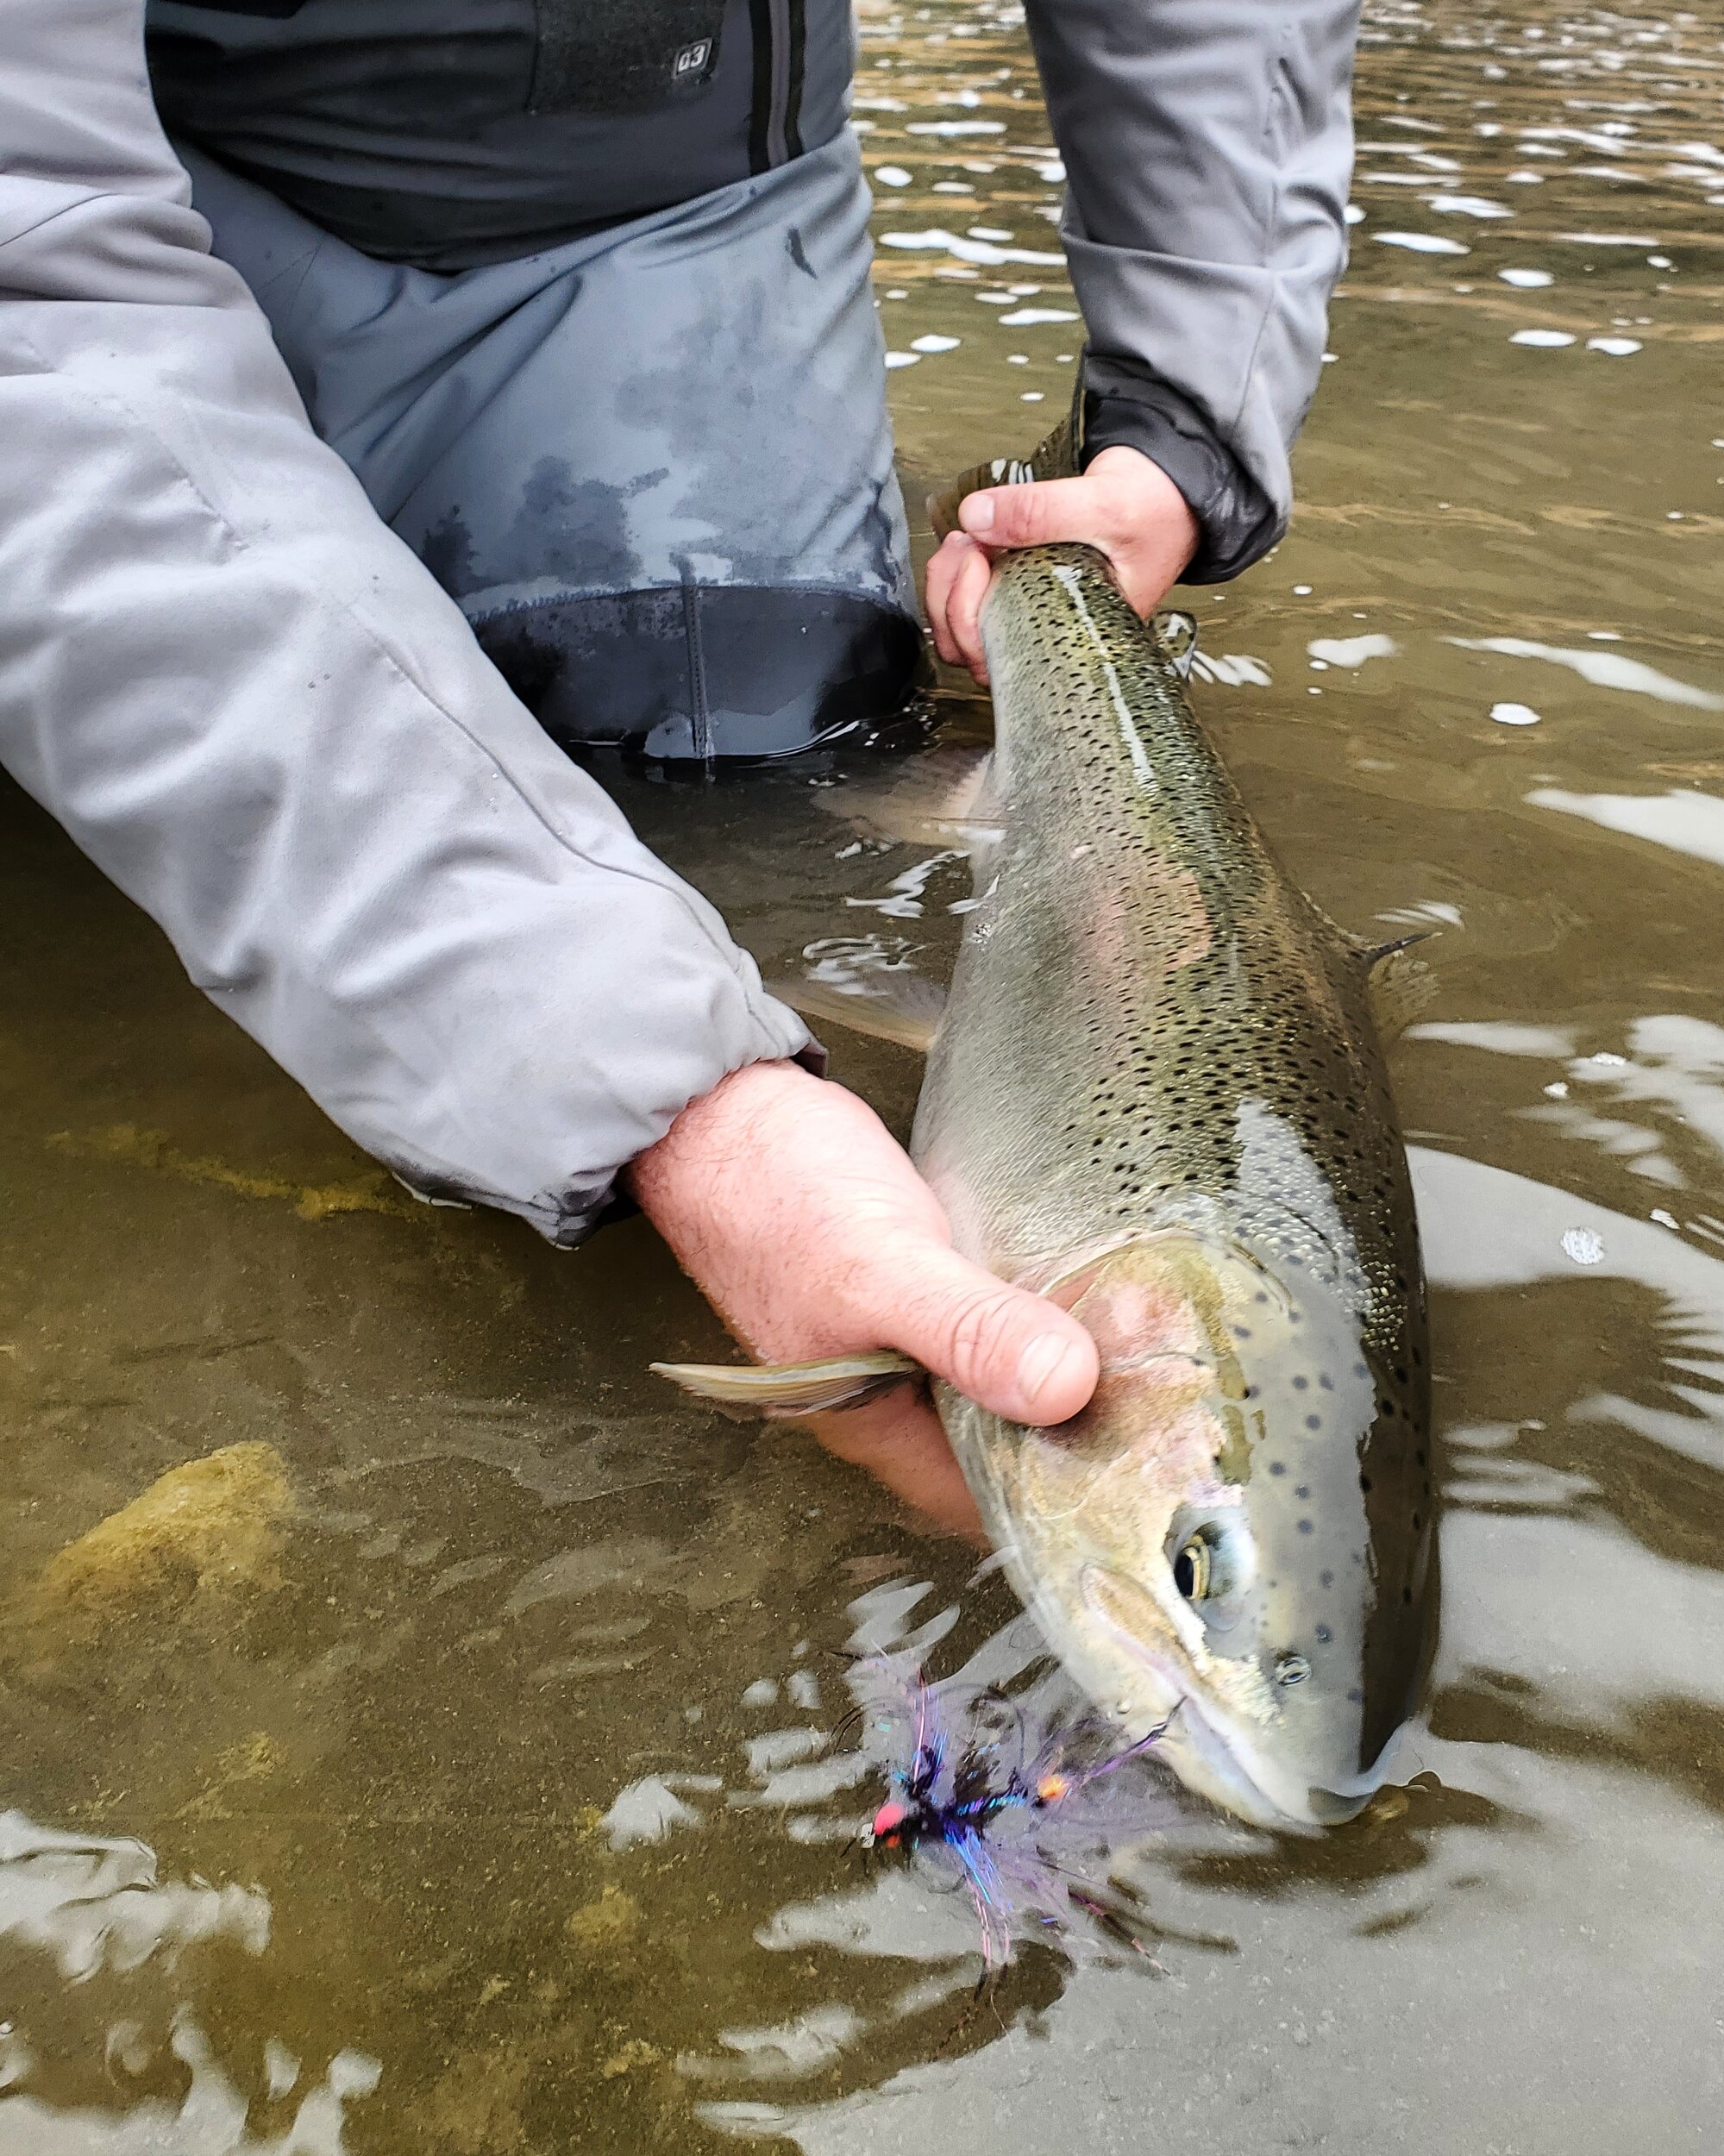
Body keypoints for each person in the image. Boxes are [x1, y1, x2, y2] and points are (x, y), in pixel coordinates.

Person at [0, 0, 1360, 1521]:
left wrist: (1182, 417)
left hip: (670, 190)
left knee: (765, 750)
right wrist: (661, 1093)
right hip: (90, 182)